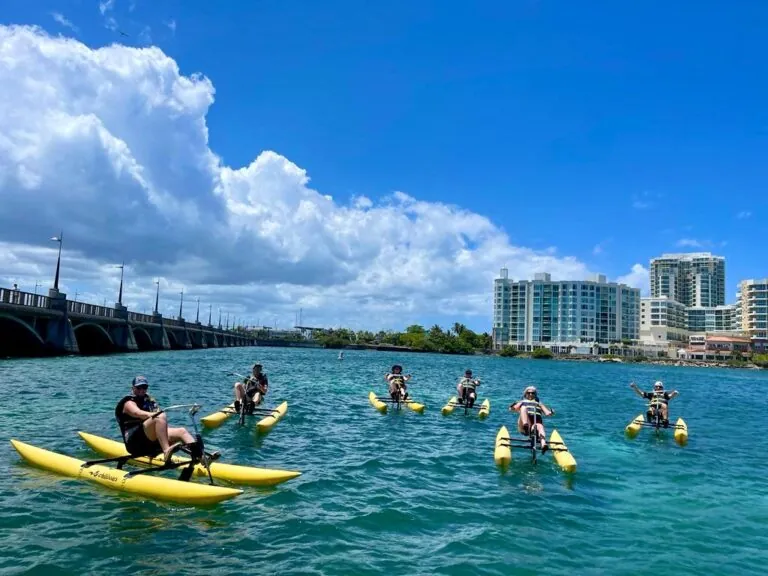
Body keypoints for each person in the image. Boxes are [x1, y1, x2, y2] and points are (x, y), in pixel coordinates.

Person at [114, 375, 195, 463]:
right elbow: (138, 413)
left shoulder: (149, 401)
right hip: (135, 444)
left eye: (144, 387)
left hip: (149, 441)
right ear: (133, 388)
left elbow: (160, 421)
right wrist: (155, 415)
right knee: (160, 416)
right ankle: (166, 450)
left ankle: (198, 455)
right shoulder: (128, 403)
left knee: (181, 431)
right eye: (138, 387)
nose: (142, 390)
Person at [509, 385, 554, 452]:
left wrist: (551, 412)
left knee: (540, 426)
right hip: (523, 426)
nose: (530, 394)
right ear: (525, 394)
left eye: (532, 393)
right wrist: (512, 406)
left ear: (535, 394)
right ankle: (526, 426)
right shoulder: (522, 402)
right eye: (528, 393)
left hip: (534, 426)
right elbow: (512, 409)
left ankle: (543, 444)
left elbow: (547, 413)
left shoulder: (539, 404)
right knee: (523, 408)